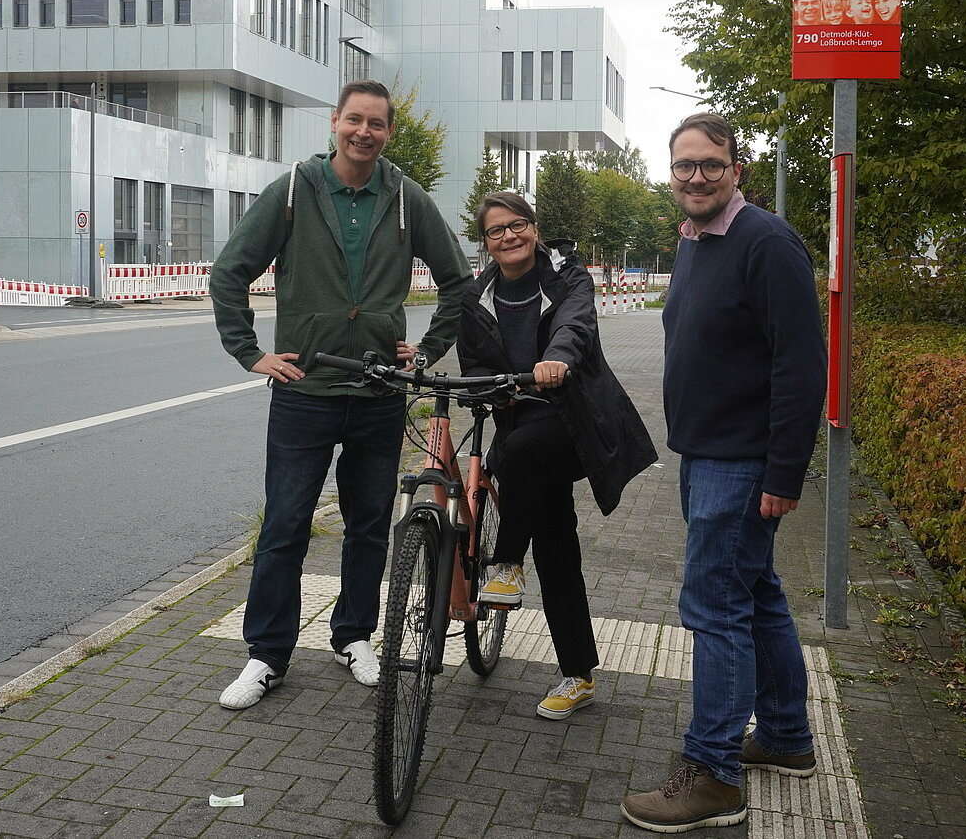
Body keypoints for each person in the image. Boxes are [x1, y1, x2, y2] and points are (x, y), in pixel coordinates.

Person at [210, 79, 473, 709]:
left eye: (376, 124)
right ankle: (266, 655)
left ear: (387, 132)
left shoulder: (407, 198)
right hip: (306, 390)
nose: (364, 132)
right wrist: (251, 354)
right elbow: (230, 272)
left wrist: (429, 349)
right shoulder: (296, 190)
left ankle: (353, 637)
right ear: (335, 123)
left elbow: (458, 281)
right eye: (354, 121)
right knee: (284, 525)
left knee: (369, 527)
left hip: (381, 392)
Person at [621, 113, 827, 832]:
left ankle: (711, 773)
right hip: (707, 452)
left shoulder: (764, 242)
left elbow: (801, 367)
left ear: (736, 169)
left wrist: (783, 472)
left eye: (711, 164)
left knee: (714, 608)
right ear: (670, 172)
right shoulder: (697, 238)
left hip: (741, 463)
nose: (696, 176)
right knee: (755, 591)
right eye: (684, 165)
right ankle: (784, 736)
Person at [457, 192, 656, 721]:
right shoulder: (477, 296)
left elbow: (576, 325)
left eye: (517, 224)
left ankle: (504, 565)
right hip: (520, 424)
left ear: (535, 227)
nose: (508, 236)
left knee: (520, 454)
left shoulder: (567, 276)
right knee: (556, 545)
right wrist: (482, 387)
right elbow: (474, 359)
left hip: (574, 420)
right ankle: (579, 675)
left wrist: (556, 359)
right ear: (486, 241)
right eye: (496, 230)